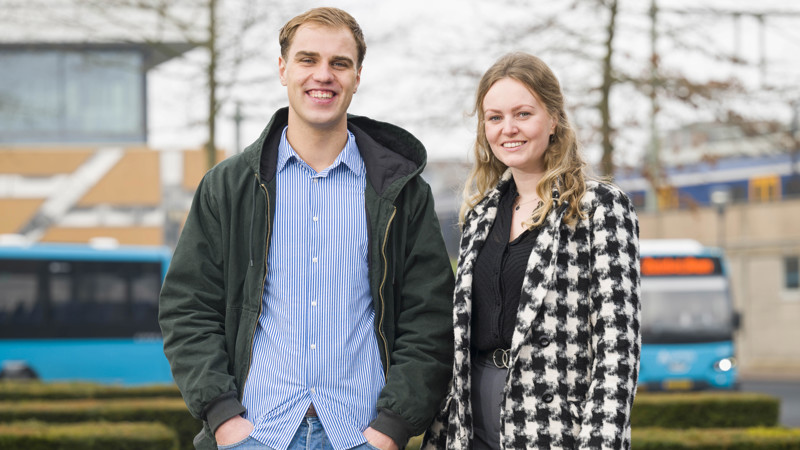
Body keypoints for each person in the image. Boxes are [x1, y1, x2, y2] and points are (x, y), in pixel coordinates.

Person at [158, 7, 454, 450]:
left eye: (340, 63)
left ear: (357, 76)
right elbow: (188, 308)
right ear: (283, 69)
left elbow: (429, 317)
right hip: (255, 434)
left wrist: (392, 427)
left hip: (360, 435)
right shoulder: (228, 186)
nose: (324, 75)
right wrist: (223, 418)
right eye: (308, 59)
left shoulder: (402, 192)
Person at [423, 52, 641, 449]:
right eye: (494, 117)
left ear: (553, 119)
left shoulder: (599, 208)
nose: (508, 129)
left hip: (554, 427)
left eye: (523, 114)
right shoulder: (479, 214)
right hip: (469, 424)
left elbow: (617, 347)